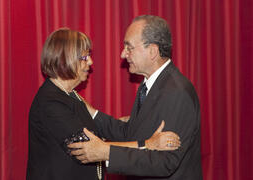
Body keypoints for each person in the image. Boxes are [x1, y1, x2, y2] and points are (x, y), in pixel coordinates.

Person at [26, 28, 180, 180]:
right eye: (84, 58)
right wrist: (148, 144)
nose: (91, 62)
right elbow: (90, 150)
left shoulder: (70, 95)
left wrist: (127, 124)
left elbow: (90, 130)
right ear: (65, 59)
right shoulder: (50, 103)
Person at [69, 15, 203, 180]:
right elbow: (132, 135)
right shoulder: (149, 85)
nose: (123, 54)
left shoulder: (177, 92)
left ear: (152, 51)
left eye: (129, 47)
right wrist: (92, 113)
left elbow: (165, 162)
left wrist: (105, 152)